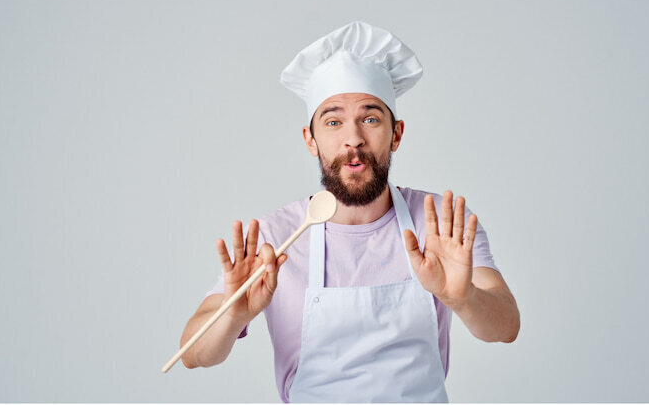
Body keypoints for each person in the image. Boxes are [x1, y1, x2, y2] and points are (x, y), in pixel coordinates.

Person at [179, 21, 520, 402]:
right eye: (334, 121)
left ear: (396, 134)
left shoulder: (439, 221)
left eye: (370, 119)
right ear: (311, 139)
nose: (353, 137)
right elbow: (193, 354)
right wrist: (233, 315)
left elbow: (506, 326)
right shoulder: (276, 240)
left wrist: (463, 298)